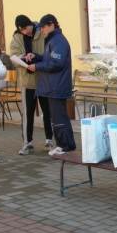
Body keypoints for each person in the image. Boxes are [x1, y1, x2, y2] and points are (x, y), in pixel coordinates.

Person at [25, 14, 76, 156]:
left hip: (57, 86)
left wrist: (37, 66)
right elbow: (49, 59)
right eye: (40, 28)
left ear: (52, 25)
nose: (42, 30)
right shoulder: (52, 40)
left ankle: (66, 146)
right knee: (56, 118)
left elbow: (56, 63)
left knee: (59, 118)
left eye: (44, 27)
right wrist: (37, 56)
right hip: (52, 86)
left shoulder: (58, 40)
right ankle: (62, 145)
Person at [10, 14, 54, 155]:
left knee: (47, 111)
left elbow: (48, 52)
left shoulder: (41, 32)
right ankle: (27, 143)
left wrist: (36, 57)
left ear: (31, 25)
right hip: (27, 80)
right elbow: (14, 57)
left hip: (43, 78)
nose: (24, 32)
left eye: (25, 28)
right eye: (21, 30)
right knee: (28, 112)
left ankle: (49, 140)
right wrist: (24, 58)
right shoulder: (17, 38)